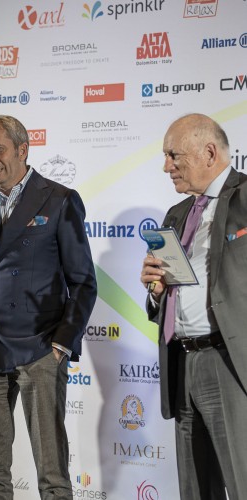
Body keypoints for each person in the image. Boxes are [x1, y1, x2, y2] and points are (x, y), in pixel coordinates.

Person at [0, 115, 97, 500]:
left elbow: (83, 282)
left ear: (22, 149)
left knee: (52, 473)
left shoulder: (60, 199)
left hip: (40, 347)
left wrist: (61, 344)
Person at [140, 113, 247, 500]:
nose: (166, 166)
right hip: (181, 364)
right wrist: (155, 290)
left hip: (230, 364)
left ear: (209, 153)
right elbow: (169, 294)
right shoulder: (177, 213)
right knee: (196, 490)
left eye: (174, 155)